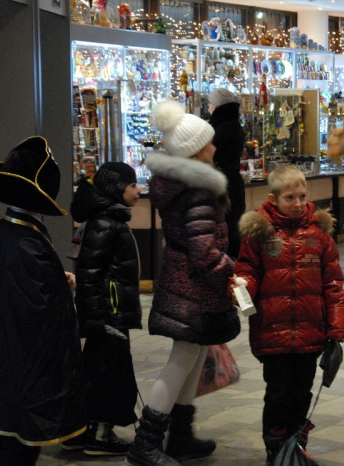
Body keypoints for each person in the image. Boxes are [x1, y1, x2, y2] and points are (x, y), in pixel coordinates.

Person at [126, 101, 240, 466]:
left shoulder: (179, 186)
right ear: (195, 150)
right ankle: (146, 445)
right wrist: (231, 271)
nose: (215, 147)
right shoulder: (197, 191)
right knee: (182, 360)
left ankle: (180, 436)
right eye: (208, 143)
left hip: (186, 285)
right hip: (192, 288)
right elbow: (204, 251)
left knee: (192, 357)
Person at [0, 136, 86, 465]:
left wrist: (53, 280)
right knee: (18, 447)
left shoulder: (0, 233)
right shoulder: (28, 243)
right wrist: (61, 287)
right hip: (25, 371)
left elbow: (4, 293)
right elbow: (42, 314)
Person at [234, 165, 344, 465]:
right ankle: (275, 447)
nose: (298, 203)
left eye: (302, 196)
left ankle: (296, 445)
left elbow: (333, 282)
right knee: (278, 393)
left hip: (310, 332)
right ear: (273, 199)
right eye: (290, 198)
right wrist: (242, 286)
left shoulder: (319, 232)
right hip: (272, 331)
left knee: (301, 393)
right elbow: (248, 269)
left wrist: (338, 328)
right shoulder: (259, 233)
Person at [68, 162, 143, 456]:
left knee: (98, 371)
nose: (138, 191)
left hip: (108, 313)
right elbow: (90, 274)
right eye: (132, 185)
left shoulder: (106, 219)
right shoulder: (105, 222)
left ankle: (79, 431)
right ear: (116, 189)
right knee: (110, 375)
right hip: (109, 315)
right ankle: (99, 434)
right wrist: (100, 317)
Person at [207, 87, 246, 257]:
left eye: (210, 103)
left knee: (228, 227)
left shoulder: (222, 128)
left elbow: (214, 152)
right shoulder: (233, 125)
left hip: (224, 184)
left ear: (216, 105)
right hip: (232, 182)